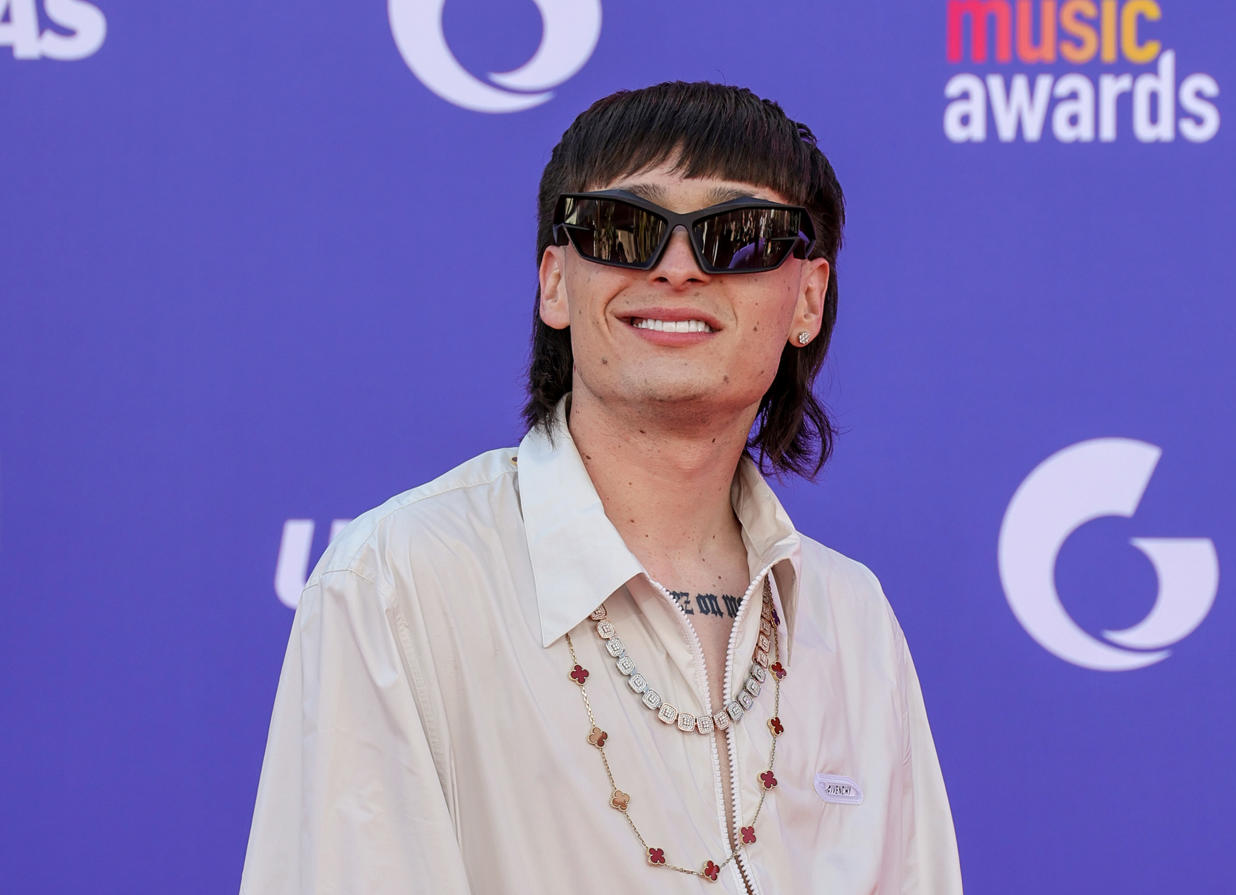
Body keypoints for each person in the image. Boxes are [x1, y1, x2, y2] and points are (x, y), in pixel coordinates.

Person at [241, 81, 962, 894]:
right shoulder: (402, 580)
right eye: (626, 229)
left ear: (808, 298)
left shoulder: (851, 615)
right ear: (554, 281)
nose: (679, 268)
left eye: (740, 235)